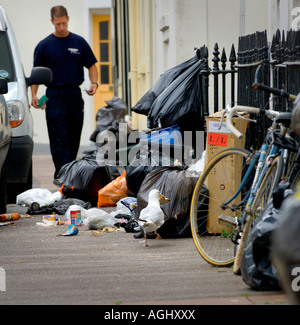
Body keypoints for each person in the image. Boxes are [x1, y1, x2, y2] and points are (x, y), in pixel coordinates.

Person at [31, 5, 98, 181]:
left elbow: (91, 65)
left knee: (73, 135)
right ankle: (63, 174)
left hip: (74, 95)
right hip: (53, 95)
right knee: (58, 138)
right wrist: (34, 95)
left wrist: (94, 83)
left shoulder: (79, 42)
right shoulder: (44, 46)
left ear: (68, 19)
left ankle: (70, 172)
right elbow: (36, 73)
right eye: (57, 24)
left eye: (63, 23)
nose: (61, 27)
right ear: (52, 22)